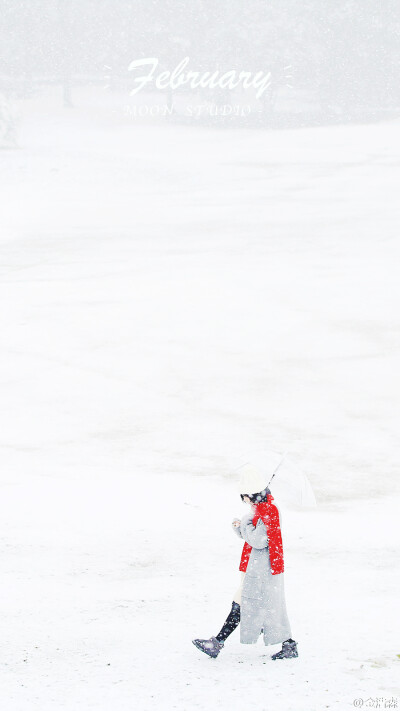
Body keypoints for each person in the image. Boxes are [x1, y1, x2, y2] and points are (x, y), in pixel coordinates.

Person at [192, 463, 298, 660]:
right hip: (258, 567)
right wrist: (240, 526)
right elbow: (253, 536)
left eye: (246, 497)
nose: (245, 501)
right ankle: (288, 645)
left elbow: (258, 541)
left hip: (263, 570)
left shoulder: (269, 511)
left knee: (245, 603)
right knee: (268, 606)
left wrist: (246, 522)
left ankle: (217, 643)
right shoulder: (261, 510)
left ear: (253, 494)